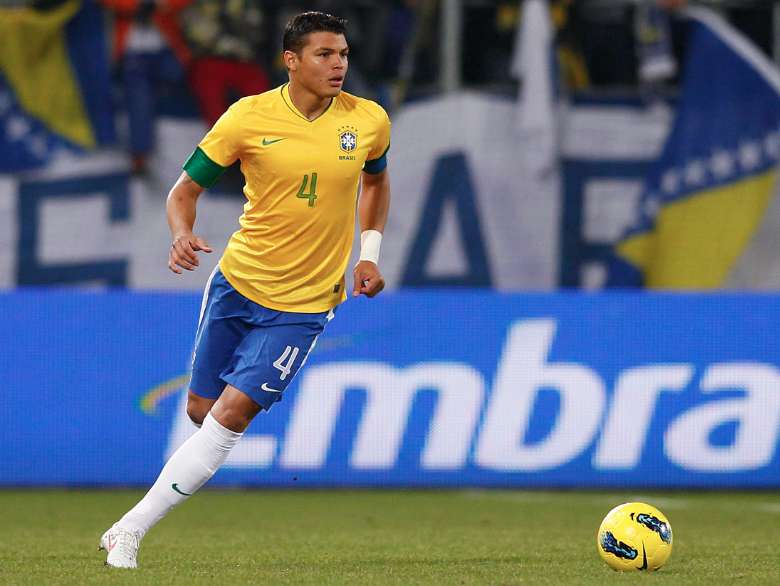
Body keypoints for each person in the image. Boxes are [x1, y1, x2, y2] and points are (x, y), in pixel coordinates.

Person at [98, 11, 391, 569]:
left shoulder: (369, 120)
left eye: (344, 54)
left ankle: (128, 531)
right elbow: (184, 191)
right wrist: (181, 234)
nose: (338, 65)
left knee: (231, 417)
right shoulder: (247, 117)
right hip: (239, 283)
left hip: (306, 304)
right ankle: (138, 519)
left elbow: (375, 183)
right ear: (291, 61)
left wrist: (369, 253)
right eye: (325, 54)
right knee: (201, 409)